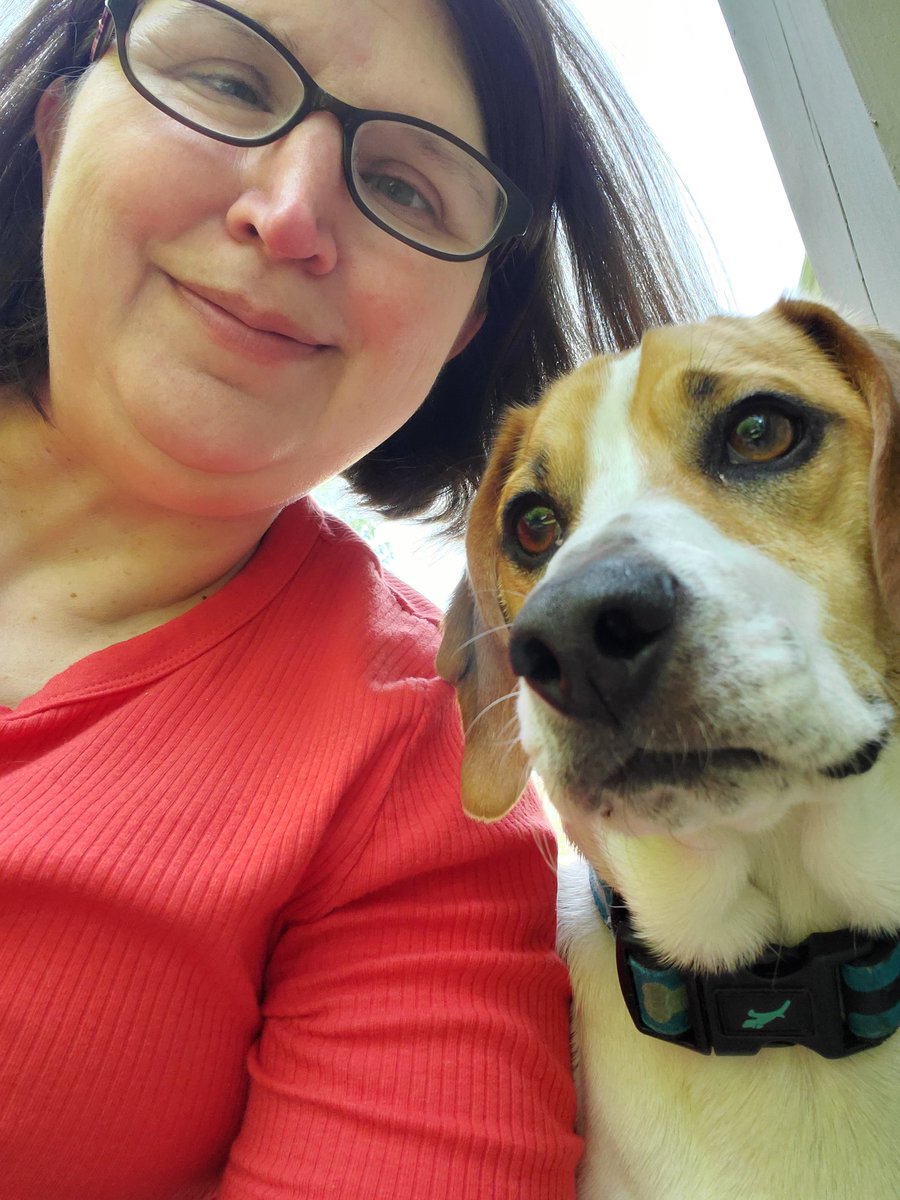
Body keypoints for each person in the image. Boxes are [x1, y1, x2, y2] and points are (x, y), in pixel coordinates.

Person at [0, 0, 716, 1196]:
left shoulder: (417, 777)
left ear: (464, 326)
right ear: (62, 120)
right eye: (228, 82)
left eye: (409, 188)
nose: (288, 217)